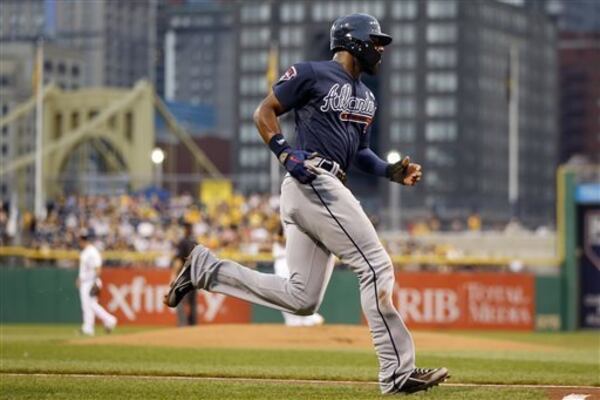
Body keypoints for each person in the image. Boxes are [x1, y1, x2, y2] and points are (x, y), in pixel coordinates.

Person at [165, 14, 448, 394]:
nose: (380, 49)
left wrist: (388, 171)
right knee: (376, 265)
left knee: (302, 299)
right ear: (354, 41)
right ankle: (398, 371)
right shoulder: (311, 73)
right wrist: (283, 152)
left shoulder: (367, 96)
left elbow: (361, 152)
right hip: (313, 178)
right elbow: (263, 112)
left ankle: (204, 270)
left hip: (321, 186)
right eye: (376, 41)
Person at [272, 225, 324, 327]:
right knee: (284, 293)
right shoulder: (282, 233)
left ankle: (308, 318)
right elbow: (280, 240)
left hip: (291, 263)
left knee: (296, 291)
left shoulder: (295, 232)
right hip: (282, 262)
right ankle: (294, 320)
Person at [77, 230, 117, 336]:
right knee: (89, 305)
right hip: (86, 281)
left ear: (82, 240)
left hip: (91, 281)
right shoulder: (85, 251)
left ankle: (109, 320)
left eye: (80, 239)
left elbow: (98, 268)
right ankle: (88, 327)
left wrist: (95, 282)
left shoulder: (92, 251)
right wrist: (80, 279)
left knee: (90, 305)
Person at [171, 223, 197, 326]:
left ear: (185, 229)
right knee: (192, 303)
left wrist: (173, 275)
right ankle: (193, 325)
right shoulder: (196, 242)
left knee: (180, 301)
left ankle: (183, 326)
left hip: (184, 277)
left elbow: (179, 261)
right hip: (195, 276)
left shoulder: (183, 242)